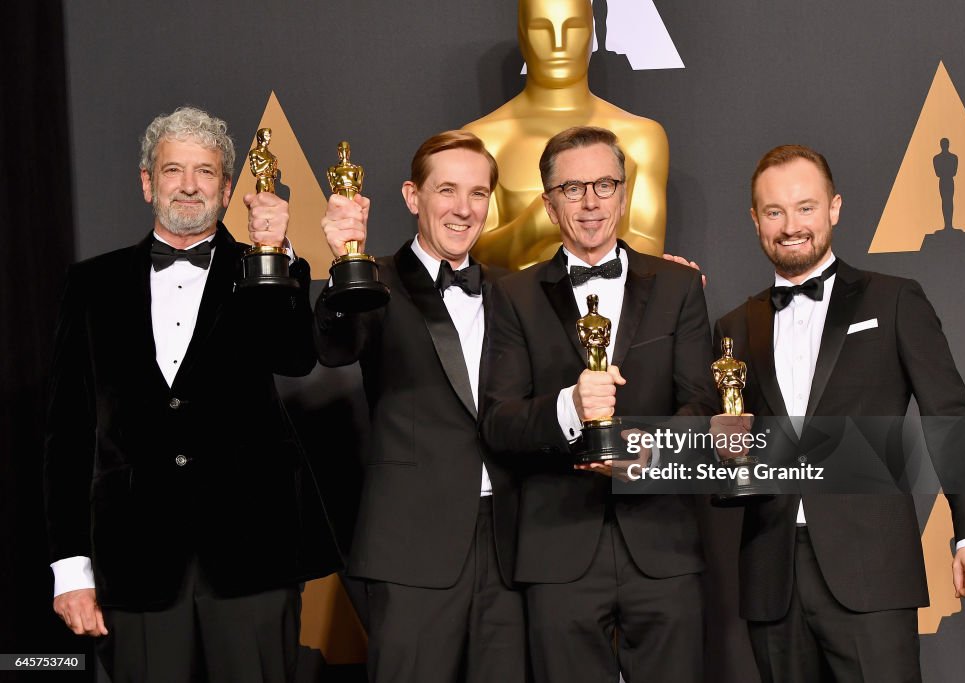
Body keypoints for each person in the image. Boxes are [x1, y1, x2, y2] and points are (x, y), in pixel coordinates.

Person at [44, 106, 336, 682]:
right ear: (148, 181)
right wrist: (71, 568)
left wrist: (276, 255)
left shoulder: (264, 267)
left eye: (205, 172)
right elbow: (67, 431)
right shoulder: (91, 285)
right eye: (173, 169)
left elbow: (296, 358)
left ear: (228, 189)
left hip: (253, 550)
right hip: (134, 555)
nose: (188, 185)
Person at [713, 144, 965, 682]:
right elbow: (723, 448)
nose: (790, 225)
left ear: (834, 209)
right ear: (755, 220)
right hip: (771, 573)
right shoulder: (732, 326)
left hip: (872, 566)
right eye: (774, 211)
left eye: (805, 207)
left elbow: (950, 417)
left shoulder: (893, 300)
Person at [479, 125, 719, 683]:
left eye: (605, 185)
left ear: (625, 191)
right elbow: (499, 421)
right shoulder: (512, 295)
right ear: (548, 202)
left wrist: (646, 449)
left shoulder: (678, 286)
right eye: (572, 189)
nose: (591, 203)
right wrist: (569, 407)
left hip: (663, 545)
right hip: (558, 547)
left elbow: (703, 405)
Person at [313, 130, 528, 683]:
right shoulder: (375, 280)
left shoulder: (513, 291)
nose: (463, 209)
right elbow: (334, 348)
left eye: (478, 194)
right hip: (412, 547)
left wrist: (666, 275)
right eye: (447, 190)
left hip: (510, 548)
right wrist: (344, 262)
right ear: (413, 197)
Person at [464, 0, 669, 270]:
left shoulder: (641, 138)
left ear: (592, 32)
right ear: (522, 34)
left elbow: (647, 244)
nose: (558, 43)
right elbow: (473, 250)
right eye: (541, 28)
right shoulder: (483, 140)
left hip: (616, 306)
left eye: (573, 27)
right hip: (515, 308)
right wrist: (534, 226)